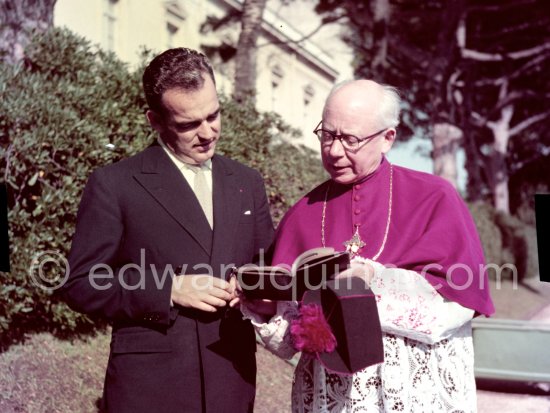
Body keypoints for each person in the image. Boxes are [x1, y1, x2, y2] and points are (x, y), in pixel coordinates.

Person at [241, 79, 494, 412]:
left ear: (388, 138)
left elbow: (454, 307)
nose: (333, 150)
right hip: (331, 398)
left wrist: (371, 279)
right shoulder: (302, 213)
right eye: (327, 135)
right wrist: (265, 307)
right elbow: (292, 340)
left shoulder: (435, 198)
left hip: (411, 394)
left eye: (350, 139)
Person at [62, 48, 274, 413]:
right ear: (155, 121)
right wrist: (168, 289)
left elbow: (265, 270)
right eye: (189, 124)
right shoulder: (115, 183)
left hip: (231, 382)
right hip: (150, 387)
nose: (208, 133)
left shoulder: (247, 182)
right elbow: (81, 282)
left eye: (214, 115)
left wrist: (262, 294)